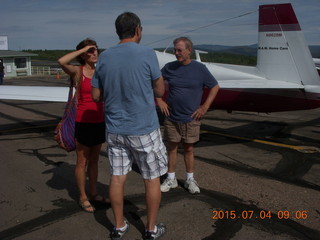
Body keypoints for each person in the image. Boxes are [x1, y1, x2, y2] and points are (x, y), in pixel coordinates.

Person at [92, 12, 167, 240]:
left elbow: (96, 95)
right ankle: (151, 229)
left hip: (115, 129)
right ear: (137, 30)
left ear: (118, 31)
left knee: (117, 178)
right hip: (143, 127)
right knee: (151, 178)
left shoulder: (104, 57)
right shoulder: (147, 53)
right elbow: (160, 91)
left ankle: (119, 226)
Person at [157, 36, 220, 194]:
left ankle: (190, 180)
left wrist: (204, 107)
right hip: (172, 117)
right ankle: (171, 179)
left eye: (179, 50)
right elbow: (155, 83)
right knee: (171, 148)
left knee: (189, 149)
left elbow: (214, 87)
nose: (176, 53)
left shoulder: (200, 69)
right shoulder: (169, 67)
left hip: (191, 117)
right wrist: (159, 100)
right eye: (175, 50)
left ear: (189, 51)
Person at [58, 38, 106, 213]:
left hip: (100, 121)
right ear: (83, 55)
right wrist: (83, 49)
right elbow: (61, 61)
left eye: (95, 50)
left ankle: (93, 193)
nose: (94, 53)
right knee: (81, 161)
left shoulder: (101, 70)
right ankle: (83, 197)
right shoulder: (78, 71)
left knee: (94, 160)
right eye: (90, 51)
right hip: (83, 121)